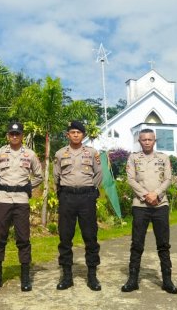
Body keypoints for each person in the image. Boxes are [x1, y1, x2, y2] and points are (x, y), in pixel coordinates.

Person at [0, 122, 44, 292]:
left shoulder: (30, 154)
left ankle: (25, 278)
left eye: (17, 134)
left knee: (23, 238)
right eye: (11, 134)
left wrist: (27, 187)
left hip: (21, 200)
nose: (14, 136)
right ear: (7, 135)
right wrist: (2, 185)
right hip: (3, 199)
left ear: (22, 136)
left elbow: (39, 176)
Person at [121, 128, 177, 294]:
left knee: (163, 244)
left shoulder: (164, 158)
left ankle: (167, 281)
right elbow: (130, 179)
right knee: (137, 243)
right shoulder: (133, 158)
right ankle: (133, 280)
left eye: (150, 139)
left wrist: (156, 194)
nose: (146, 142)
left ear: (155, 141)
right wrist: (146, 195)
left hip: (160, 205)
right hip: (140, 205)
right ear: (139, 142)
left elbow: (168, 179)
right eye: (143, 139)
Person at [53, 120, 103, 291]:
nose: (75, 135)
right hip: (67, 197)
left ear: (83, 135)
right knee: (65, 237)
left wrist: (90, 190)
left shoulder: (92, 153)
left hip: (86, 198)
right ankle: (67, 276)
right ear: (68, 135)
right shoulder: (60, 154)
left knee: (90, 237)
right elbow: (56, 177)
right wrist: (63, 193)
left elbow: (98, 174)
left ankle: (92, 276)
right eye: (72, 132)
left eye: (78, 132)